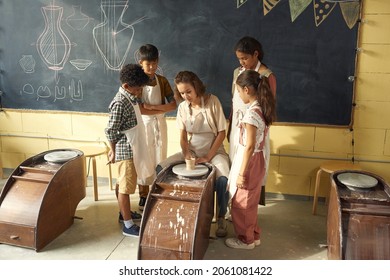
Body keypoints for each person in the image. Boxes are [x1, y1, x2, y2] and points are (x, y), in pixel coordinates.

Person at [157, 71, 230, 238]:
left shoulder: (213, 101)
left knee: (223, 179)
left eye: (188, 91)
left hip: (215, 150)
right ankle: (169, 211)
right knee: (161, 168)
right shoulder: (183, 107)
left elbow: (221, 133)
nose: (185, 96)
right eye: (182, 93)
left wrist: (208, 157)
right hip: (193, 149)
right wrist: (186, 152)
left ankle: (221, 217)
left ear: (196, 86)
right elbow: (183, 136)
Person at [225, 69, 276, 249]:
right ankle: (254, 235)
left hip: (250, 160)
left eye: (238, 91)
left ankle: (245, 240)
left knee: (242, 203)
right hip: (258, 159)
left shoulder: (251, 115)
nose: (238, 94)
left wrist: (240, 174)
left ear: (246, 90)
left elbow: (249, 146)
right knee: (251, 201)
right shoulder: (261, 108)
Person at [227, 36, 276, 206]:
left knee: (251, 167)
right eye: (239, 58)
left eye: (245, 58)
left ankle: (248, 205)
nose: (242, 62)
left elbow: (269, 106)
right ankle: (235, 204)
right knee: (235, 164)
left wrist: (259, 132)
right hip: (237, 126)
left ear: (256, 54)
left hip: (254, 127)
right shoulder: (237, 72)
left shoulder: (266, 75)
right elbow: (235, 102)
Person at [105, 64, 150, 237]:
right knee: (125, 187)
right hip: (126, 149)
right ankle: (128, 225)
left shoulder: (130, 96)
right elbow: (110, 130)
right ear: (126, 86)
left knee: (121, 183)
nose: (140, 92)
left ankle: (123, 213)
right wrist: (113, 150)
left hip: (133, 146)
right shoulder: (120, 102)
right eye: (138, 89)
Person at [137, 44, 177, 211]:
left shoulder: (162, 81)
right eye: (148, 64)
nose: (152, 67)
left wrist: (152, 108)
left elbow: (173, 104)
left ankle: (158, 189)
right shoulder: (137, 82)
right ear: (141, 63)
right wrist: (159, 108)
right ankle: (143, 194)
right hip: (144, 125)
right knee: (145, 158)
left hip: (160, 123)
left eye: (154, 63)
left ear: (158, 61)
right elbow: (139, 108)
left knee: (160, 156)